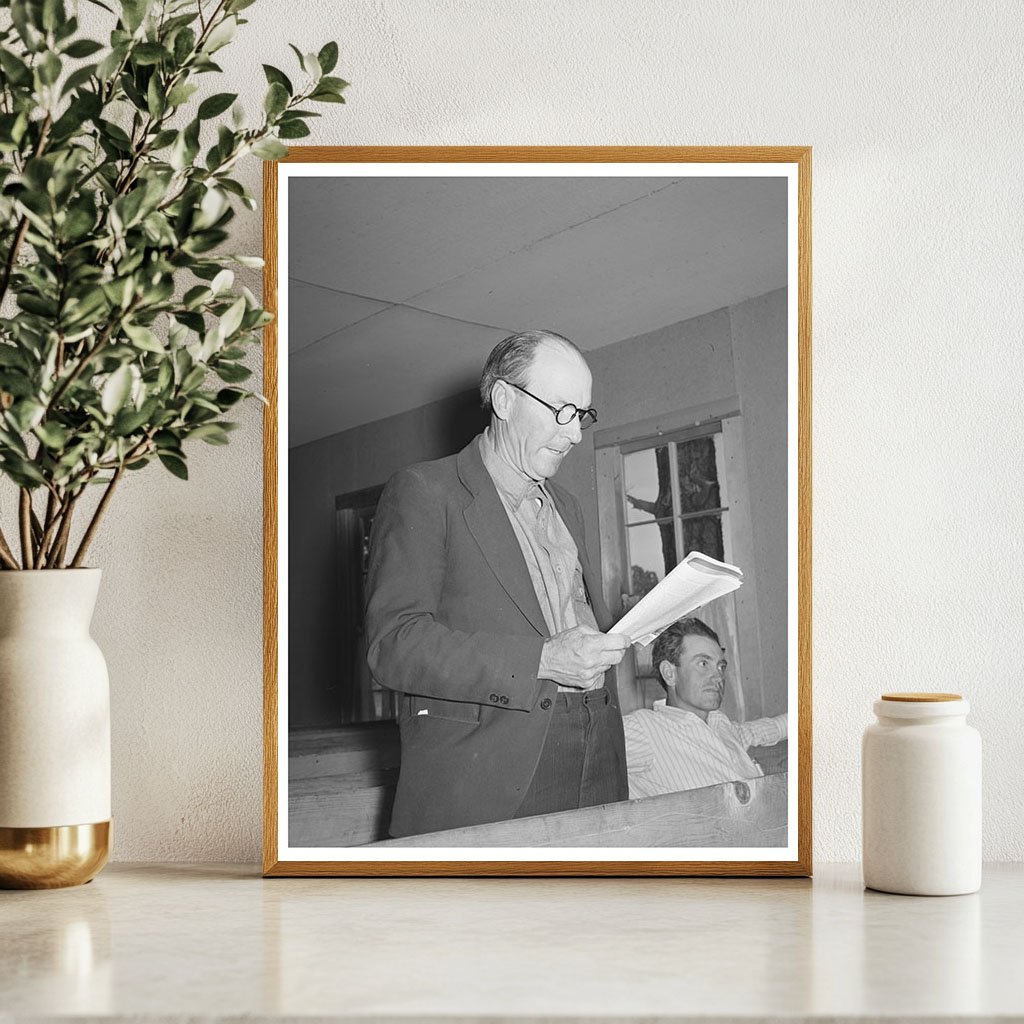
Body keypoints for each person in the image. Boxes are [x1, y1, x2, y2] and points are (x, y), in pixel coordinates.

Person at [365, 329, 630, 838]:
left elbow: (560, 618)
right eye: (562, 410)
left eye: (582, 414)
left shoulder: (567, 505)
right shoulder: (425, 490)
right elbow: (394, 645)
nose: (575, 434)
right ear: (504, 400)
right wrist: (542, 660)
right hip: (495, 768)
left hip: (599, 748)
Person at [622, 617, 787, 799]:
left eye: (721, 666)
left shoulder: (720, 724)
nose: (718, 677)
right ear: (669, 673)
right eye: (703, 664)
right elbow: (598, 751)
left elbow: (766, 730)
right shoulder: (644, 729)